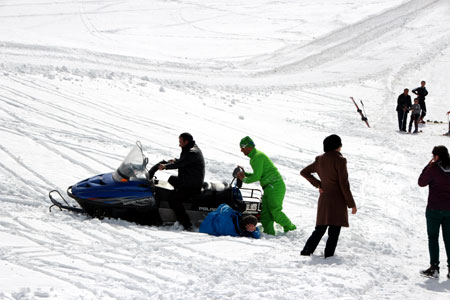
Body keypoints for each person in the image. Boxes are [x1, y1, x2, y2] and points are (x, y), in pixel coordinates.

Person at [300, 134, 357, 258]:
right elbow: (343, 184)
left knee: (320, 228)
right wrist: (351, 204)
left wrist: (319, 184)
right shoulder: (340, 160)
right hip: (337, 199)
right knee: (334, 230)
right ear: (338, 146)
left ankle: (306, 251)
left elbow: (304, 172)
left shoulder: (319, 159)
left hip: (324, 198)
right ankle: (329, 256)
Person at [236, 136, 296, 235]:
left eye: (242, 147)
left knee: (275, 211)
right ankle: (269, 233)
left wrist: (244, 179)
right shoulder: (254, 158)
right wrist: (245, 174)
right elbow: (259, 175)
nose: (241, 150)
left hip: (275, 186)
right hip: (269, 187)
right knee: (265, 214)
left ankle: (291, 229)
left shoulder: (257, 157)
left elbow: (256, 177)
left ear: (249, 146)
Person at [158, 133, 205, 230]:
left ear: (186, 142)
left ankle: (187, 224)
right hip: (188, 180)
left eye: (180, 142)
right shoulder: (190, 149)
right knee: (171, 179)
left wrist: (165, 167)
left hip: (191, 185)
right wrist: (175, 160)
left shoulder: (192, 152)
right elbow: (185, 161)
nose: (179, 144)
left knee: (174, 199)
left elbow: (183, 163)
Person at [418, 145, 450, 279]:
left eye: (433, 156)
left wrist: (428, 165)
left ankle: (434, 267)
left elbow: (421, 182)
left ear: (437, 157)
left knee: (433, 238)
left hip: (434, 209)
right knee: (449, 239)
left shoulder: (433, 169)